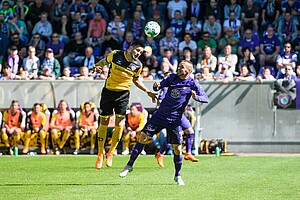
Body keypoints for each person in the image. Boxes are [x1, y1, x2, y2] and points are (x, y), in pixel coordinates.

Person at [119, 60, 209, 186]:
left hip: (175, 119)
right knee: (142, 137)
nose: (178, 68)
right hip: (160, 115)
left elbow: (205, 97)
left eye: (181, 67)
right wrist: (156, 86)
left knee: (177, 149)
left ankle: (178, 175)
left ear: (188, 70)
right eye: (179, 66)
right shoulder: (172, 77)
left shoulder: (193, 83)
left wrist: (196, 97)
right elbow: (159, 86)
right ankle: (129, 165)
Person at [93, 40, 157, 170]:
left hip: (123, 95)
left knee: (120, 123)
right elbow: (103, 62)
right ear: (130, 48)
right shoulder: (115, 55)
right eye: (137, 50)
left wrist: (148, 91)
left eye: (141, 52)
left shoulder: (137, 65)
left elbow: (137, 80)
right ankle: (100, 153)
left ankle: (111, 152)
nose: (139, 53)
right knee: (103, 122)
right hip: (108, 92)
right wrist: (96, 66)